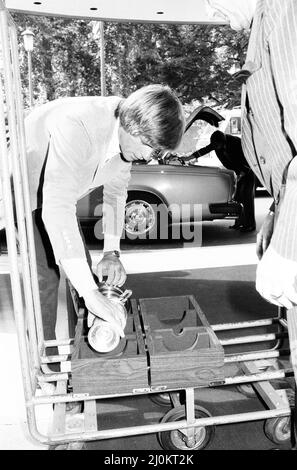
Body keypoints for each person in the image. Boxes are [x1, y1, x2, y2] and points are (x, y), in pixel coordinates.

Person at [4, 84, 185, 352]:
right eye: (148, 146)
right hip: (22, 191)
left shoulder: (128, 130)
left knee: (83, 272)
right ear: (131, 127)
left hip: (56, 193)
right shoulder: (77, 125)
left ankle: (86, 351)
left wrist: (112, 252)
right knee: (47, 276)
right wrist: (90, 294)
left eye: (156, 152)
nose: (148, 157)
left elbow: (114, 194)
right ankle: (45, 363)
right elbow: (56, 207)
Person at [206, 0, 297, 444]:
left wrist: (289, 240)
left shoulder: (285, 11)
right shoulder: (266, 21)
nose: (212, 11)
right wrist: (281, 214)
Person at [180, 130, 256, 232]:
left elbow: (248, 159)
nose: (217, 149)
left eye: (218, 146)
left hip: (248, 172)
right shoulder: (216, 143)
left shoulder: (236, 143)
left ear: (223, 142)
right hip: (237, 172)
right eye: (215, 146)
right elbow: (204, 150)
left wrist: (242, 173)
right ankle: (239, 223)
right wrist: (188, 158)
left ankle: (250, 225)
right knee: (238, 198)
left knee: (247, 198)